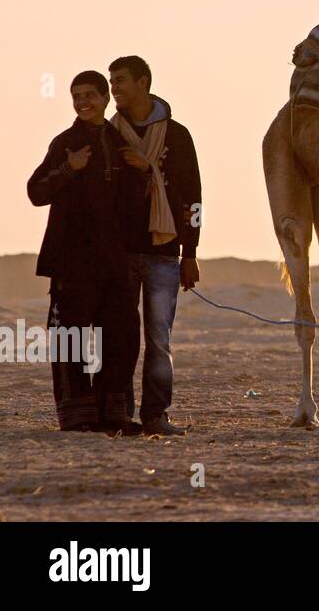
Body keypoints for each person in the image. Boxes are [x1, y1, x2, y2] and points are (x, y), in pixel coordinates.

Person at [27, 70, 144, 435]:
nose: (83, 102)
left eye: (90, 95)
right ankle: (78, 418)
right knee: (70, 338)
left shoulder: (120, 140)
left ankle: (113, 415)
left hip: (115, 261)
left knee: (121, 337)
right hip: (71, 262)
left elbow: (134, 202)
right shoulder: (65, 143)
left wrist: (142, 170)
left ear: (106, 97)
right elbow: (36, 192)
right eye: (76, 96)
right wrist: (68, 168)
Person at [108, 55, 202, 437]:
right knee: (121, 336)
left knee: (159, 339)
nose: (115, 88)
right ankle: (118, 415)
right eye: (112, 82)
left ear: (143, 82)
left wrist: (191, 253)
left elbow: (193, 199)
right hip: (121, 253)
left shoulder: (177, 136)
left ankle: (156, 415)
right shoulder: (107, 134)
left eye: (121, 81)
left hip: (165, 253)